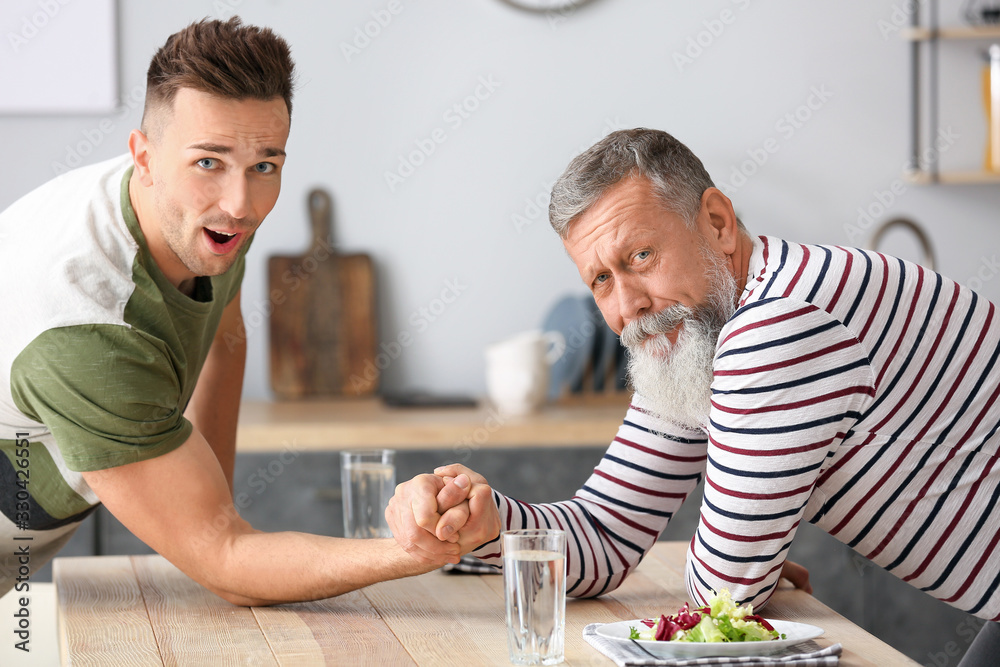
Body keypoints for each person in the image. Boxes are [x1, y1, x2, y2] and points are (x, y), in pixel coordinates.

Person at [387, 128, 1000, 657]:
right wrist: (493, 525)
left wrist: (742, 565)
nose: (628, 307)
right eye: (601, 279)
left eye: (642, 255)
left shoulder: (777, 325)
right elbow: (607, 532)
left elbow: (722, 601)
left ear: (717, 223)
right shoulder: (693, 333)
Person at [0, 17, 459, 605]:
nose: (242, 205)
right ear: (144, 156)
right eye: (209, 162)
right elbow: (225, 563)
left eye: (265, 166)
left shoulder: (190, 217)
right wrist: (413, 552)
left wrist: (215, 512)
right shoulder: (87, 329)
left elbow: (224, 334)